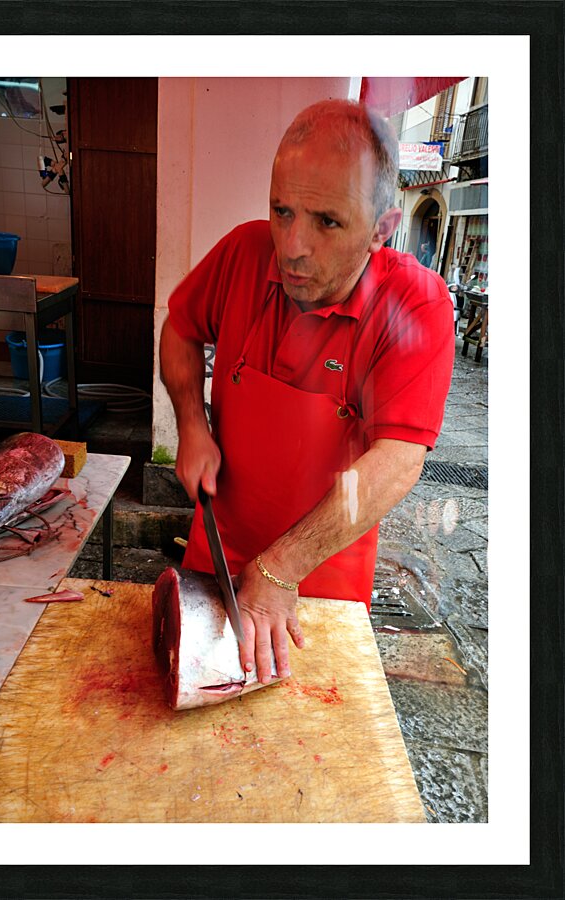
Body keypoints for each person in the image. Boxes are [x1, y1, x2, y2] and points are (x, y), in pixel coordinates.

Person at [160, 99, 454, 686]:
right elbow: (181, 330)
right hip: (215, 552)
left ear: (381, 230)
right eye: (282, 210)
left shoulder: (415, 305)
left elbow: (394, 463)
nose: (292, 246)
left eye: (326, 222)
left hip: (322, 583)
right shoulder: (242, 255)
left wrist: (282, 568)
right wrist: (192, 421)